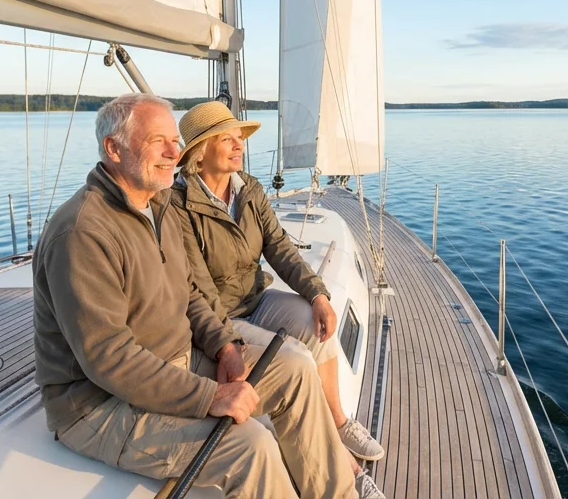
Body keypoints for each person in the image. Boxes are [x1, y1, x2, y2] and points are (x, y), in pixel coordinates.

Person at [33, 93, 356, 499]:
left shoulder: (159, 204)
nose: (174, 151)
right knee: (251, 446)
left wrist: (223, 345)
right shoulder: (82, 233)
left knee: (295, 367)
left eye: (175, 140)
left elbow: (187, 290)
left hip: (177, 362)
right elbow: (109, 358)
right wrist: (211, 396)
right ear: (113, 149)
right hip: (99, 406)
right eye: (157, 141)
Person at [169, 101, 386, 497]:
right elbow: (195, 289)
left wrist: (317, 294)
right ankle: (342, 464)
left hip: (256, 298)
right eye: (228, 139)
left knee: (311, 321)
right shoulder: (179, 207)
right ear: (201, 152)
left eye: (240, 138)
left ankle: (337, 421)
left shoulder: (247, 189)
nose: (239, 146)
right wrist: (225, 346)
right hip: (220, 317)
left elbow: (280, 248)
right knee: (296, 362)